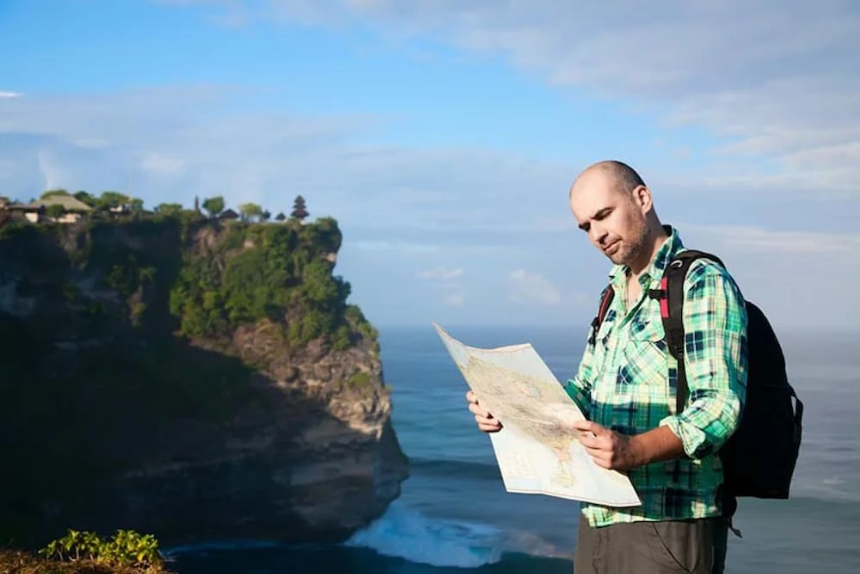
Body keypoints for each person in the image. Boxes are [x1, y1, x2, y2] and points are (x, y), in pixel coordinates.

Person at [466, 160, 748, 574]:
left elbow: (719, 407)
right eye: (585, 227)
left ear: (642, 198)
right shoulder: (612, 295)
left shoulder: (699, 281)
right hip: (599, 513)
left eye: (603, 215)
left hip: (668, 521)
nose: (597, 234)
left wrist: (634, 451)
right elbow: (585, 391)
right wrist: (510, 407)